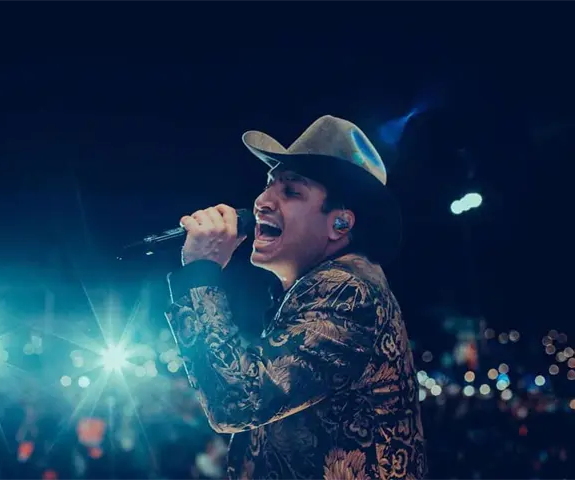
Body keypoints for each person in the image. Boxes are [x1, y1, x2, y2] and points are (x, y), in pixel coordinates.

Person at [165, 115, 427, 479]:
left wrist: (200, 273)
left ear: (340, 224)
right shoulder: (318, 289)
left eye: (290, 191)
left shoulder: (346, 290)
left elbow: (239, 401)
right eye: (268, 185)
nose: (261, 201)